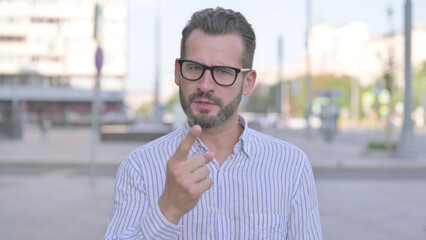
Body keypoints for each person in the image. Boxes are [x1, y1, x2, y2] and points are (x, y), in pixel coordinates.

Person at [104, 7, 322, 240]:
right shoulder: (139, 167)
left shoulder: (291, 165)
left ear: (247, 83)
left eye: (223, 71)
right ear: (178, 73)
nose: (205, 85)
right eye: (195, 68)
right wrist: (168, 210)